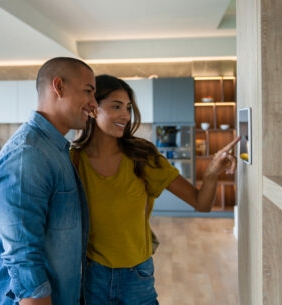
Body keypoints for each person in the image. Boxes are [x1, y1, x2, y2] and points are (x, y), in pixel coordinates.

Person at [70, 74, 241, 305]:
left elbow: (202, 203)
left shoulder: (142, 155)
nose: (125, 115)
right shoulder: (74, 160)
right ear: (92, 109)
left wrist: (211, 171)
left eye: (128, 108)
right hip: (92, 276)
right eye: (116, 106)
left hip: (137, 276)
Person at [0, 57, 97, 305]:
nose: (94, 104)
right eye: (88, 91)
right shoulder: (28, 156)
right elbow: (23, 259)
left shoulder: (53, 149)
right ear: (59, 87)